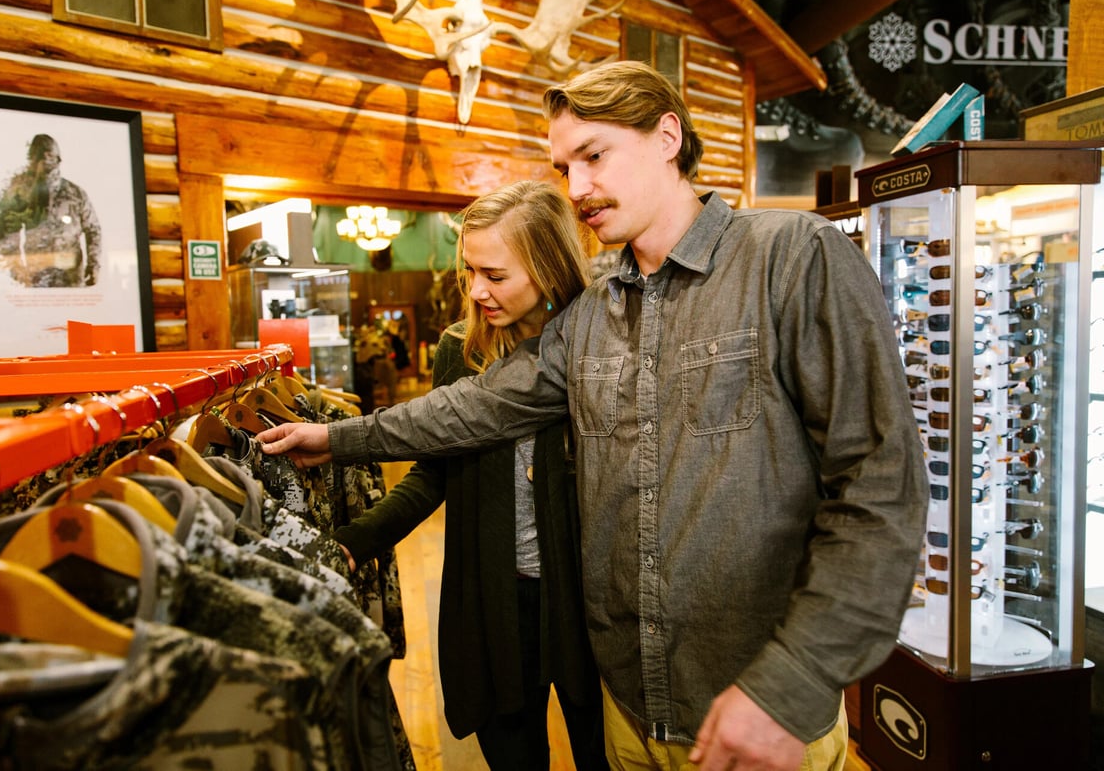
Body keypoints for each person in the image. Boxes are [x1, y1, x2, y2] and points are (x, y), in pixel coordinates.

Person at [260, 61, 927, 771]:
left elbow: (880, 487)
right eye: (564, 168)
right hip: (627, 708)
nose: (576, 188)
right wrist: (337, 437)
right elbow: (477, 406)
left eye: (595, 156)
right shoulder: (591, 314)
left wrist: (794, 682)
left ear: (667, 136)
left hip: (755, 713)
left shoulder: (791, 257)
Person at [333, 180, 605, 770]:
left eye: (495, 275)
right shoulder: (461, 349)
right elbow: (433, 471)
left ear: (548, 268)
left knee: (599, 749)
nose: (477, 290)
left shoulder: (597, 344)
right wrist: (358, 540)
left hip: (584, 603)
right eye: (470, 271)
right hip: (493, 597)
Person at [0, 133, 102, 287]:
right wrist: (17, 270)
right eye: (40, 156)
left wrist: (94, 265)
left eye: (49, 155)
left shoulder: (75, 193)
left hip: (71, 279)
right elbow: (9, 233)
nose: (46, 160)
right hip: (36, 279)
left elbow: (93, 230)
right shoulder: (23, 194)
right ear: (33, 159)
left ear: (58, 158)